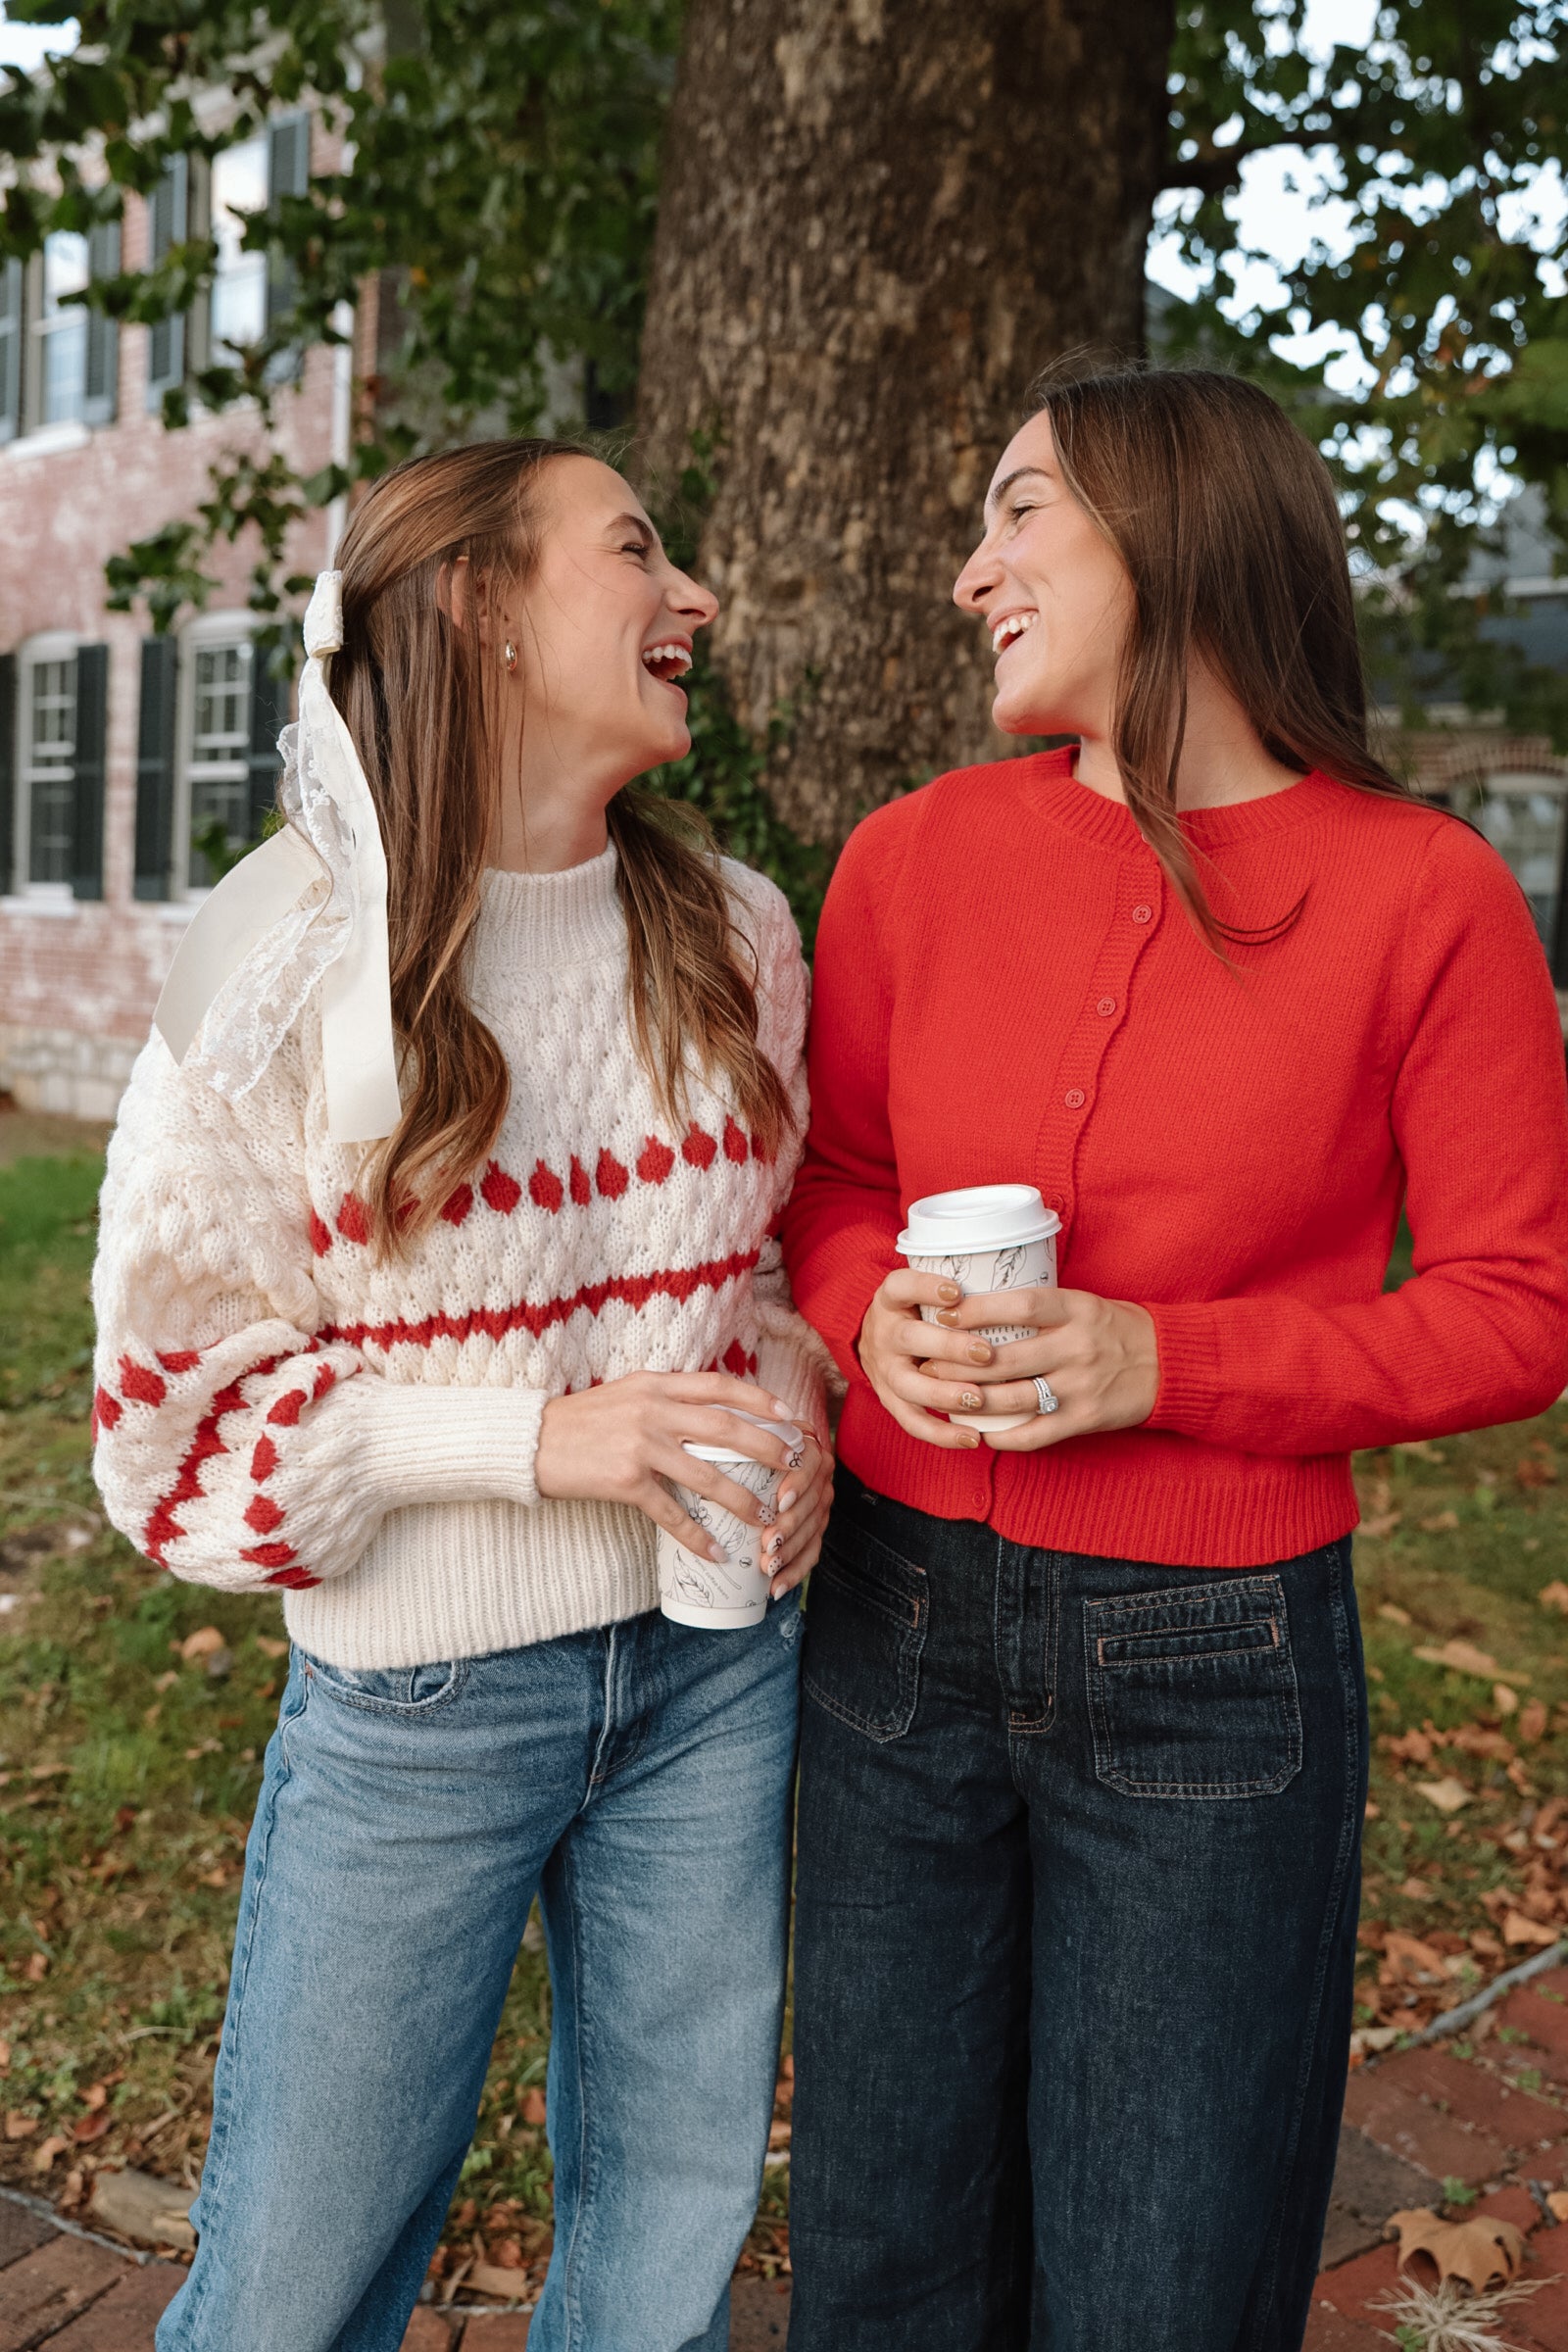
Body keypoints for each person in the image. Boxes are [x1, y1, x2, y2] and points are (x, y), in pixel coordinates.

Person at [777, 366, 1568, 2352]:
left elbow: (1511, 1307)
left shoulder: (1422, 895)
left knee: (1155, 2279)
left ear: (1173, 528)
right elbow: (833, 1192)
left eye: (1017, 509)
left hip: (1209, 1669)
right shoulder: (906, 861)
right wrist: (859, 1307)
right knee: (880, 2267)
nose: (972, 571)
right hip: (888, 1635)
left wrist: (1166, 1365)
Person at [90, 437, 831, 2352]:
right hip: (417, 1709)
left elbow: (742, 1277)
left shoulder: (736, 936)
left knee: (670, 2235)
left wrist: (791, 1403)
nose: (694, 603)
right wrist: (528, 1439)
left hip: (714, 1669)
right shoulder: (274, 969)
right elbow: (167, 1430)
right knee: (292, 2280)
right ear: (481, 610)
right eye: (636, 554)